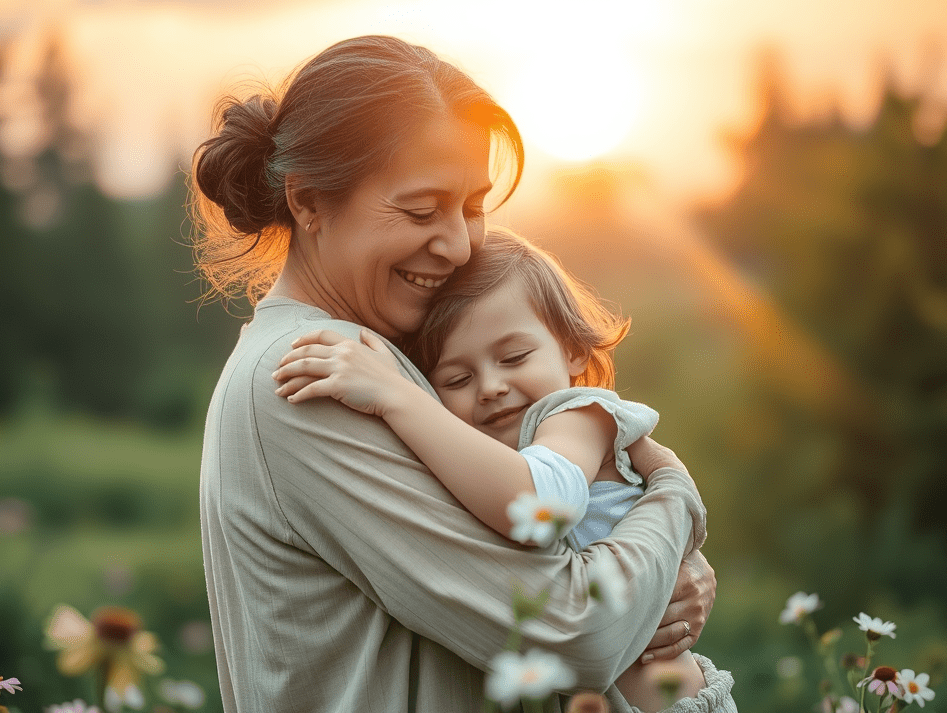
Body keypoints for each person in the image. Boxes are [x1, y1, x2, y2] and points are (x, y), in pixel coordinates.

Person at [192, 34, 726, 713]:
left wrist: (669, 573)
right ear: (309, 202)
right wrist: (673, 502)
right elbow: (576, 630)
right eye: (421, 210)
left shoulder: (386, 359)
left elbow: (563, 544)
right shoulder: (310, 382)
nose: (457, 244)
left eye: (473, 206)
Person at [273, 227, 735, 712]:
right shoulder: (489, 458)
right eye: (457, 378)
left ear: (573, 348)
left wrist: (396, 397)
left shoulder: (575, 416)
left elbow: (540, 507)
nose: (491, 386)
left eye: (514, 357)